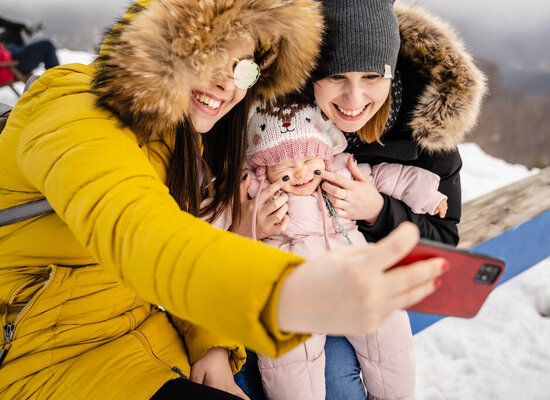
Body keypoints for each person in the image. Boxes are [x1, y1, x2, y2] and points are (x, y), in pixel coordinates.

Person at [0, 1, 447, 399]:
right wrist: (283, 293)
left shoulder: (190, 140)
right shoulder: (71, 102)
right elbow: (138, 230)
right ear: (162, 42)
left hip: (149, 341)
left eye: (244, 69)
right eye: (209, 55)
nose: (226, 84)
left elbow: (192, 241)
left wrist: (210, 341)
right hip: (42, 356)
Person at [240, 1, 487, 399]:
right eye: (336, 76)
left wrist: (378, 210)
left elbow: (442, 239)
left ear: (390, 72)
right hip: (292, 281)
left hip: (365, 285)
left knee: (354, 376)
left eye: (372, 76)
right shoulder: (283, 121)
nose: (354, 97)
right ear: (312, 76)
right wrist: (250, 222)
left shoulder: (424, 133)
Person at [241, 97, 449, 400]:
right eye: (285, 167)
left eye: (308, 162)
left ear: (324, 156)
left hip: (352, 277)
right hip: (295, 293)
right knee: (290, 356)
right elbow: (215, 219)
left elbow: (386, 177)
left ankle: (394, 396)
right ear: (263, 169)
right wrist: (245, 226)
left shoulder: (341, 174)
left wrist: (427, 193)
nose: (300, 174)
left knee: (387, 326)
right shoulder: (255, 192)